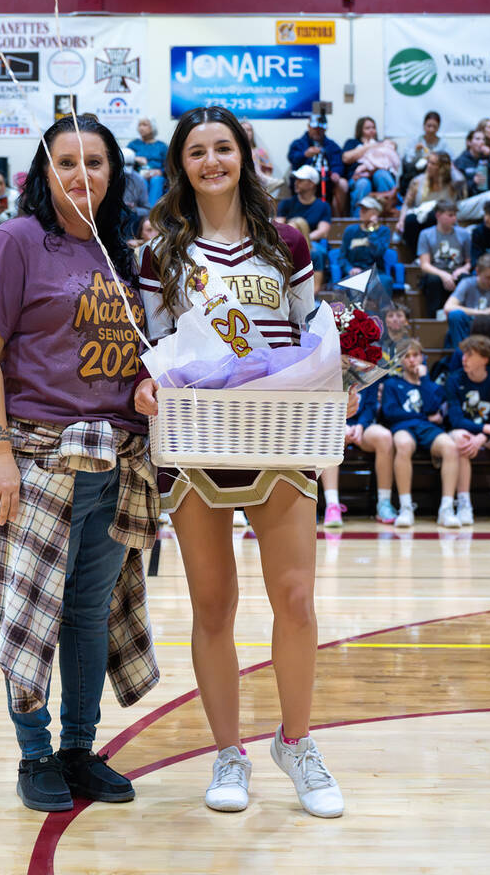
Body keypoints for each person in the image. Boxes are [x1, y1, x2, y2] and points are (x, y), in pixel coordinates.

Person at [136, 106, 343, 819]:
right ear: (181, 164)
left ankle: (298, 742)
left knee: (296, 600)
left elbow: (317, 341)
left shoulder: (286, 241)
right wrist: (143, 386)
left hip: (281, 436)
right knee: (213, 605)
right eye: (198, 151)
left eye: (223, 147)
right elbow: (155, 348)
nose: (212, 160)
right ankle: (229, 753)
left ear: (245, 156)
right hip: (198, 445)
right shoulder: (161, 250)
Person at [0, 113, 158, 814]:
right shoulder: (16, 242)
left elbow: (134, 361)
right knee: (33, 614)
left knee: (87, 615)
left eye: (96, 163)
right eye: (68, 162)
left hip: (118, 464)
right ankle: (34, 753)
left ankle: (79, 749)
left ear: (115, 174)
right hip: (41, 459)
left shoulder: (120, 254)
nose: (83, 175)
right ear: (44, 174)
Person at [381, 340, 461, 528]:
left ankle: (447, 509)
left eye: (415, 355)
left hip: (426, 428)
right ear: (400, 361)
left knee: (450, 446)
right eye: (406, 356)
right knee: (403, 444)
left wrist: (424, 381)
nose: (411, 360)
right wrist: (423, 414)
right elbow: (390, 413)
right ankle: (406, 507)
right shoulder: (392, 384)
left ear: (422, 357)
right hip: (403, 427)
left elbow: (434, 406)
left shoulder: (430, 385)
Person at [445, 335, 490, 527]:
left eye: (470, 354)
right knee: (462, 439)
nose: (464, 359)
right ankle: (464, 504)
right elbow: (456, 420)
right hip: (462, 432)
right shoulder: (454, 380)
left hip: (487, 435)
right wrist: (487, 429)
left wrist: (483, 436)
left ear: (485, 359)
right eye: (463, 354)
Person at [320, 386, 395, 527]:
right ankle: (332, 506)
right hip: (335, 424)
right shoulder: (333, 369)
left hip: (363, 427)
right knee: (331, 436)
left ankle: (384, 504)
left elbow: (371, 405)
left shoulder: (369, 367)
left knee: (385, 437)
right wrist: (341, 425)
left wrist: (361, 426)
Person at [398, 151, 463, 252]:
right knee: (410, 220)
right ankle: (419, 256)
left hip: (442, 220)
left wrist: (451, 166)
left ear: (442, 167)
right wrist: (401, 221)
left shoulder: (452, 183)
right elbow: (407, 204)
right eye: (428, 162)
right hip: (418, 218)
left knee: (433, 215)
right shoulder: (418, 181)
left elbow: (461, 180)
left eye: (433, 164)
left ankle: (434, 254)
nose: (428, 166)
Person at [443, 254, 490, 348]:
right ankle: (462, 354)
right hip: (469, 328)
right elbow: (448, 307)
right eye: (488, 278)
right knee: (455, 315)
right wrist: (482, 313)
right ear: (477, 271)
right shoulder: (467, 283)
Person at [275, 164, 332, 276]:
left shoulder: (323, 206)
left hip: (313, 243)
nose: (296, 183)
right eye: (296, 180)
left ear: (311, 184)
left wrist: (303, 239)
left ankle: (315, 287)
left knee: (316, 252)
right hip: (288, 241)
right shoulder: (286, 203)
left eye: (301, 180)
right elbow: (278, 227)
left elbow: (323, 232)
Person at [331, 195, 394, 295]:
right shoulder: (350, 230)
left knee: (385, 281)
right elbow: (342, 257)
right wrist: (350, 269)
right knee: (351, 285)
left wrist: (371, 230)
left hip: (375, 273)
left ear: (375, 213)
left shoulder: (383, 231)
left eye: (366, 209)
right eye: (361, 209)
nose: (361, 212)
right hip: (354, 272)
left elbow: (378, 253)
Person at [287, 115, 348, 216]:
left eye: (320, 129)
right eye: (315, 129)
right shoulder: (298, 143)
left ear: (325, 129)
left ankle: (337, 219)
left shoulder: (332, 145)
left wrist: (336, 173)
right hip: (306, 177)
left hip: (327, 178)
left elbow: (338, 162)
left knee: (342, 183)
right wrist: (305, 154)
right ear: (309, 127)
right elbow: (292, 159)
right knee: (302, 182)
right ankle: (301, 214)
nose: (317, 131)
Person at [341, 116, 400, 214]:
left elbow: (390, 159)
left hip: (379, 171)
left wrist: (374, 168)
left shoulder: (382, 143)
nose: (371, 130)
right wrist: (368, 146)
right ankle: (358, 219)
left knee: (382, 175)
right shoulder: (352, 143)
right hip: (359, 177)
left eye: (373, 127)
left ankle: (389, 213)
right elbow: (346, 158)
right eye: (367, 128)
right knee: (363, 184)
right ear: (360, 130)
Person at [401, 110, 450, 193]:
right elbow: (407, 160)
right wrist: (415, 151)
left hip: (435, 174)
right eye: (429, 126)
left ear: (438, 128)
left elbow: (450, 159)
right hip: (415, 172)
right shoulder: (416, 140)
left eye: (435, 127)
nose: (431, 129)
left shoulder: (442, 143)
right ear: (424, 126)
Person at [128, 117, 168, 207]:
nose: (141, 128)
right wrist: (135, 158)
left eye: (144, 125)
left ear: (152, 127)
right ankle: (145, 213)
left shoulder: (161, 146)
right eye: (139, 125)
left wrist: (160, 172)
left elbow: (169, 165)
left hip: (157, 175)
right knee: (141, 181)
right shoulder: (133, 144)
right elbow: (124, 158)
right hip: (139, 174)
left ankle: (152, 214)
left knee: (157, 180)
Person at [240, 119, 284, 195]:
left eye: (249, 130)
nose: (246, 132)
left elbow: (267, 170)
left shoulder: (260, 151)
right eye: (243, 130)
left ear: (252, 133)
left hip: (258, 184)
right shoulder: (236, 151)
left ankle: (266, 181)